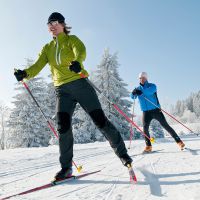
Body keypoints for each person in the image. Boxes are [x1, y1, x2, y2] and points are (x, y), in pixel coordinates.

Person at [14, 12, 132, 180]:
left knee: (100, 121)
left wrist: (77, 62)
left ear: (62, 24)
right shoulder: (47, 48)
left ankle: (123, 155)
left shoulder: (72, 40)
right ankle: (66, 168)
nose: (51, 26)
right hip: (62, 91)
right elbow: (38, 65)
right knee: (63, 127)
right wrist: (24, 73)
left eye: (54, 22)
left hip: (80, 84)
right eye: (49, 24)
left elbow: (80, 52)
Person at [131, 72, 185, 153]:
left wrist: (140, 92)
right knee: (145, 129)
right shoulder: (137, 88)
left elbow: (148, 92)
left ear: (146, 78)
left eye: (143, 78)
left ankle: (179, 142)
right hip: (145, 112)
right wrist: (133, 93)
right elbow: (132, 97)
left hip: (155, 110)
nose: (142, 79)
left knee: (166, 126)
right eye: (140, 78)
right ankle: (148, 146)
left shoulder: (152, 86)